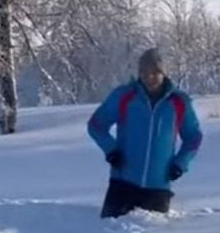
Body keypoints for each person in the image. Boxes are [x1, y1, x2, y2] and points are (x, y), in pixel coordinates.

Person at [87, 48, 203, 218]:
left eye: (155, 72)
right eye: (144, 72)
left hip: (158, 187)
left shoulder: (179, 102)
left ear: (164, 73)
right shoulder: (125, 96)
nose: (149, 77)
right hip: (122, 183)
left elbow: (193, 137)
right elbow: (96, 125)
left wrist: (180, 164)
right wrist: (111, 151)